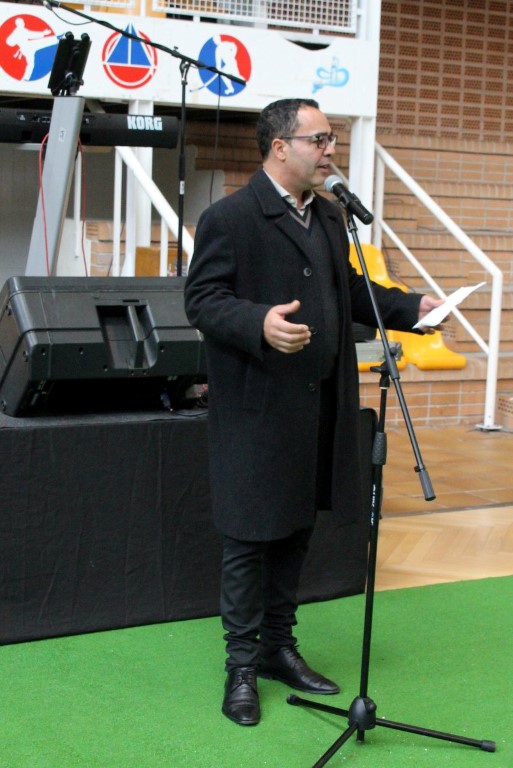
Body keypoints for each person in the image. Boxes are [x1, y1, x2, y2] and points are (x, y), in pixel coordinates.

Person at [184, 97, 443, 727]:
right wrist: (258, 323)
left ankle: (278, 647)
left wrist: (411, 308)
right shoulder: (230, 217)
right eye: (319, 139)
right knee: (250, 537)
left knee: (296, 529)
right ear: (280, 147)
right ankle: (241, 667)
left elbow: (347, 289)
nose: (331, 150)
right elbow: (202, 299)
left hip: (319, 402)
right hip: (257, 408)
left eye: (331, 139)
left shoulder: (329, 215)